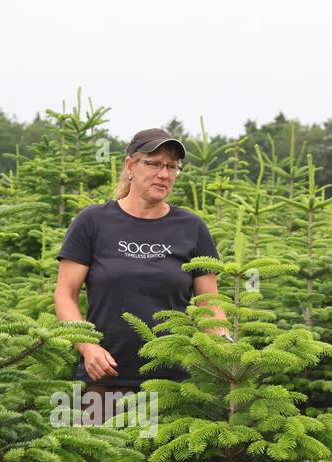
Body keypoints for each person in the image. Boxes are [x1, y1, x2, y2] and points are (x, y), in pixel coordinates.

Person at [54, 127, 228, 427]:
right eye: (154, 163)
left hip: (171, 384)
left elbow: (209, 302)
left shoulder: (192, 228)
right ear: (130, 166)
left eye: (172, 167)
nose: (164, 174)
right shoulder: (93, 222)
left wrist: (228, 350)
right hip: (105, 380)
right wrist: (87, 347)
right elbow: (64, 294)